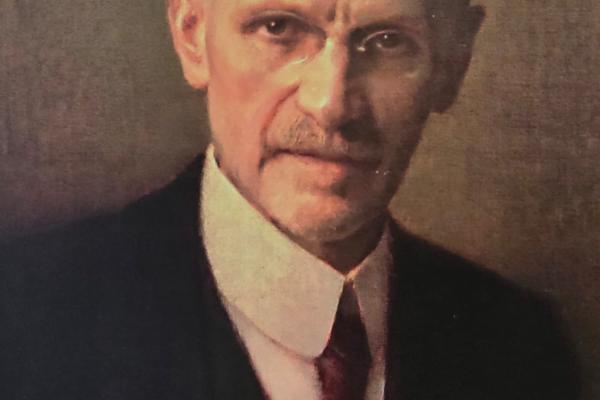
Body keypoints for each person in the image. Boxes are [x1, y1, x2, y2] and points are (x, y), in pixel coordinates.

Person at [1, 0, 580, 399]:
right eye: (278, 28)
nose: (331, 104)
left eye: (387, 41)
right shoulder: (28, 313)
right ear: (192, 33)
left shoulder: (521, 343)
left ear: (454, 61)